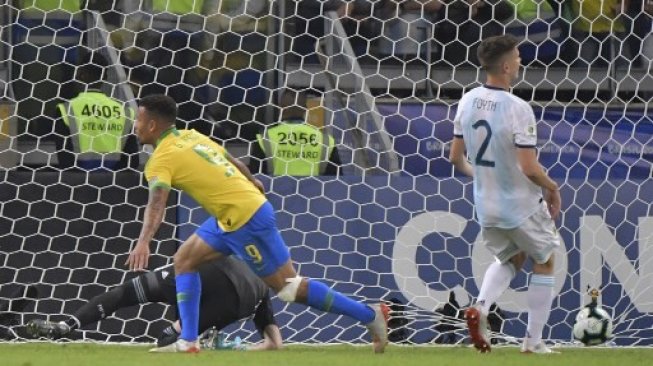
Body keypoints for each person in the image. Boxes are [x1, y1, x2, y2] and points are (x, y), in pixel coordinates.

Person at [126, 94, 389, 353]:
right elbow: (232, 160)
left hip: (244, 219)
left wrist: (143, 242)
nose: (134, 125)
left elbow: (157, 203)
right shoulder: (191, 136)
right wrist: (252, 181)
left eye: (138, 119)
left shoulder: (160, 159)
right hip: (230, 216)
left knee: (289, 288)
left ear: (151, 124)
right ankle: (189, 340)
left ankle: (369, 315)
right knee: (184, 260)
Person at [448, 34, 562, 354]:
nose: (522, 61)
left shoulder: (467, 100)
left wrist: (483, 176)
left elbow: (455, 158)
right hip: (520, 203)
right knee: (545, 259)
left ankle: (481, 308)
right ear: (508, 66)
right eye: (519, 57)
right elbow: (529, 167)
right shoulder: (518, 108)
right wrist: (552, 188)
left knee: (511, 257)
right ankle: (534, 342)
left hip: (486, 203)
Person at [25, 256, 282, 351]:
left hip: (200, 271)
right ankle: (205, 342)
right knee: (170, 338)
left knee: (125, 293)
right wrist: (245, 350)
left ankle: (65, 325)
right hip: (231, 300)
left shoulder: (245, 263)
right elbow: (275, 344)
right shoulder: (262, 291)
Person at [54, 51, 139, 170]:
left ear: (80, 74)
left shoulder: (67, 109)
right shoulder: (124, 112)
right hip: (114, 182)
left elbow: (65, 159)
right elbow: (132, 160)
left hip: (77, 182)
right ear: (105, 77)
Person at [249, 90, 342, 176]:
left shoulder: (265, 139)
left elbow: (255, 178)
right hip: (315, 193)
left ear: (281, 108)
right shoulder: (326, 141)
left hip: (274, 193)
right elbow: (335, 182)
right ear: (305, 109)